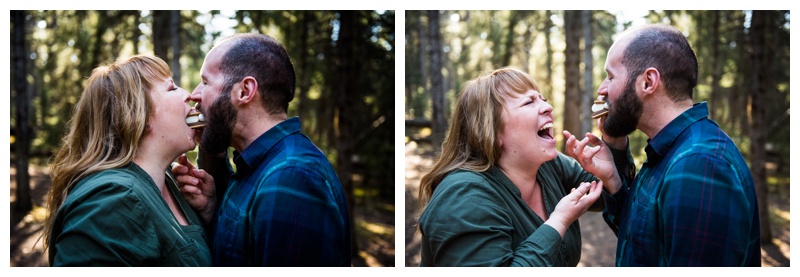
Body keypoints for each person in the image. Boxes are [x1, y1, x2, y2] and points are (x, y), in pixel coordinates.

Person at [564, 24, 761, 266]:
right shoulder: (669, 152)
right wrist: (614, 181)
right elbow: (644, 245)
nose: (602, 89)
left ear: (648, 82)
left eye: (611, 76)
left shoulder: (698, 163)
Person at [416, 67, 630, 266]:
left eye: (543, 99)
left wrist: (614, 142)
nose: (548, 107)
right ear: (491, 129)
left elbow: (608, 195)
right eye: (529, 102)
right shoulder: (463, 197)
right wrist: (558, 222)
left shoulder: (547, 165)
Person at [171, 33, 352, 266]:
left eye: (205, 82)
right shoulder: (258, 166)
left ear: (245, 91)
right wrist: (212, 210)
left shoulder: (291, 176)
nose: (194, 94)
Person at [43, 55, 211, 266]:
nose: (189, 95)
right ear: (138, 113)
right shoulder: (112, 200)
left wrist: (208, 213)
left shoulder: (170, 182)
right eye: (172, 88)